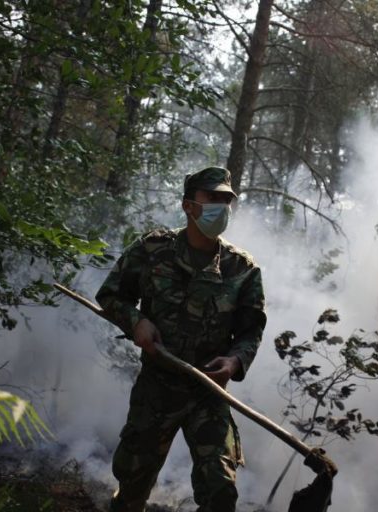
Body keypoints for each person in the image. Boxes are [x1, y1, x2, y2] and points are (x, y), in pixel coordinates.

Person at [96, 166, 267, 512]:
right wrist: (137, 321)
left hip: (208, 391)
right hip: (157, 386)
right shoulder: (152, 250)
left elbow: (250, 331)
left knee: (220, 491)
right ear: (189, 205)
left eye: (226, 200)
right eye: (212, 198)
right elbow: (111, 296)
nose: (222, 207)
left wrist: (234, 361)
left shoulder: (242, 269)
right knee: (132, 484)